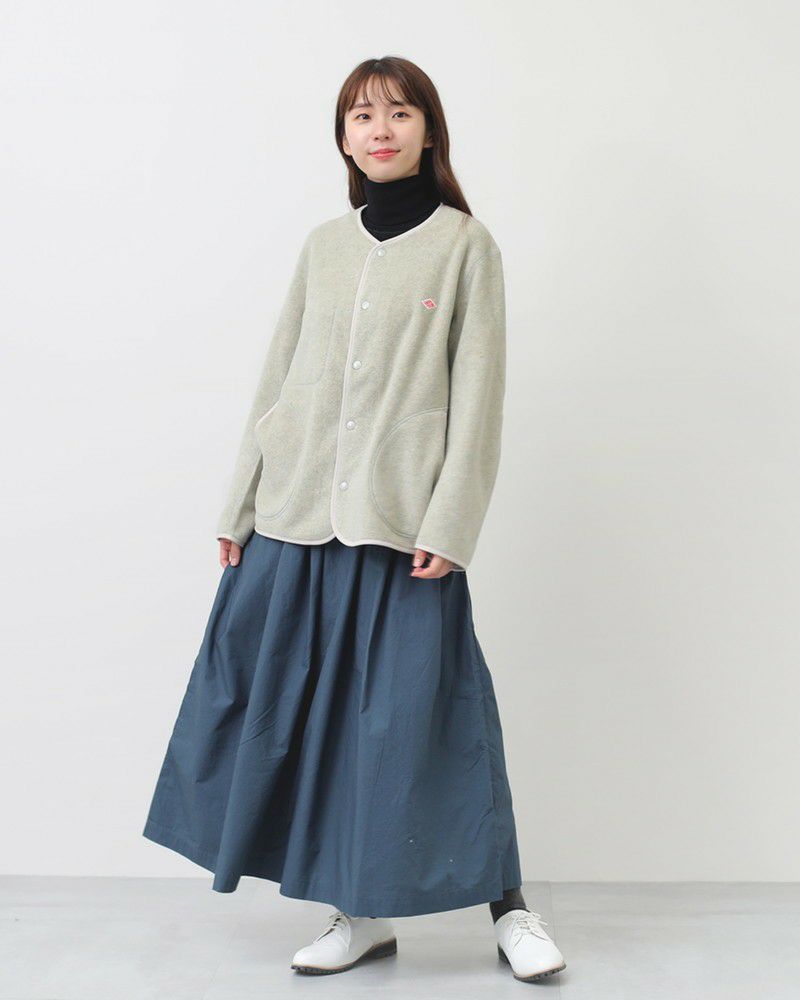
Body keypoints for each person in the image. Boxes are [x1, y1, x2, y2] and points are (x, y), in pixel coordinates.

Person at [142, 55, 566, 984]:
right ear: (343, 136)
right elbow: (280, 378)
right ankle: (358, 913)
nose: (380, 129)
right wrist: (239, 504)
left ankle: (511, 909)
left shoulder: (465, 247)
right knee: (304, 719)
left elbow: (478, 395)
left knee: (432, 719)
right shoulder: (324, 247)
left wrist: (450, 522)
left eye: (399, 112)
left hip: (401, 528)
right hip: (293, 520)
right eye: (362, 115)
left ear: (429, 130)